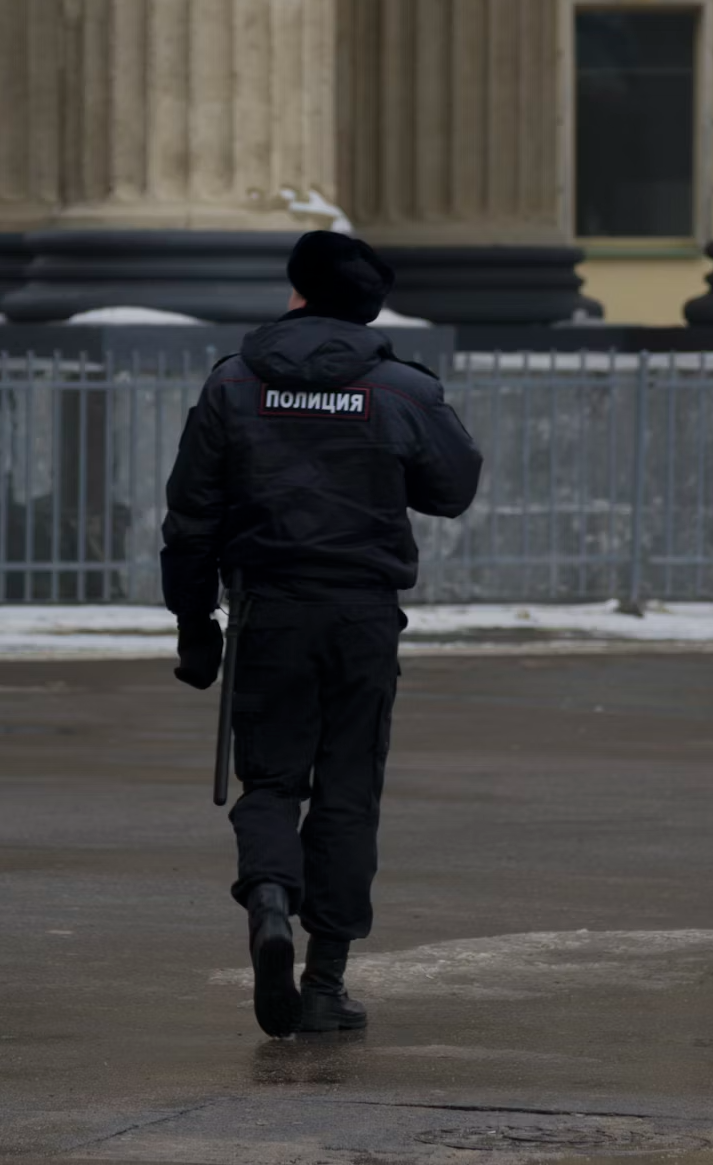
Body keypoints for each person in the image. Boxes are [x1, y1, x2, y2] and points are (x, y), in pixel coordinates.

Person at [161, 230, 482, 1038]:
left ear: (296, 292)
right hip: (362, 616)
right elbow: (453, 489)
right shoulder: (400, 389)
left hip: (269, 611)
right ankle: (325, 981)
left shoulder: (233, 382)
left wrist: (193, 624)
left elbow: (190, 518)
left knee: (269, 781)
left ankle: (270, 898)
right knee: (348, 790)